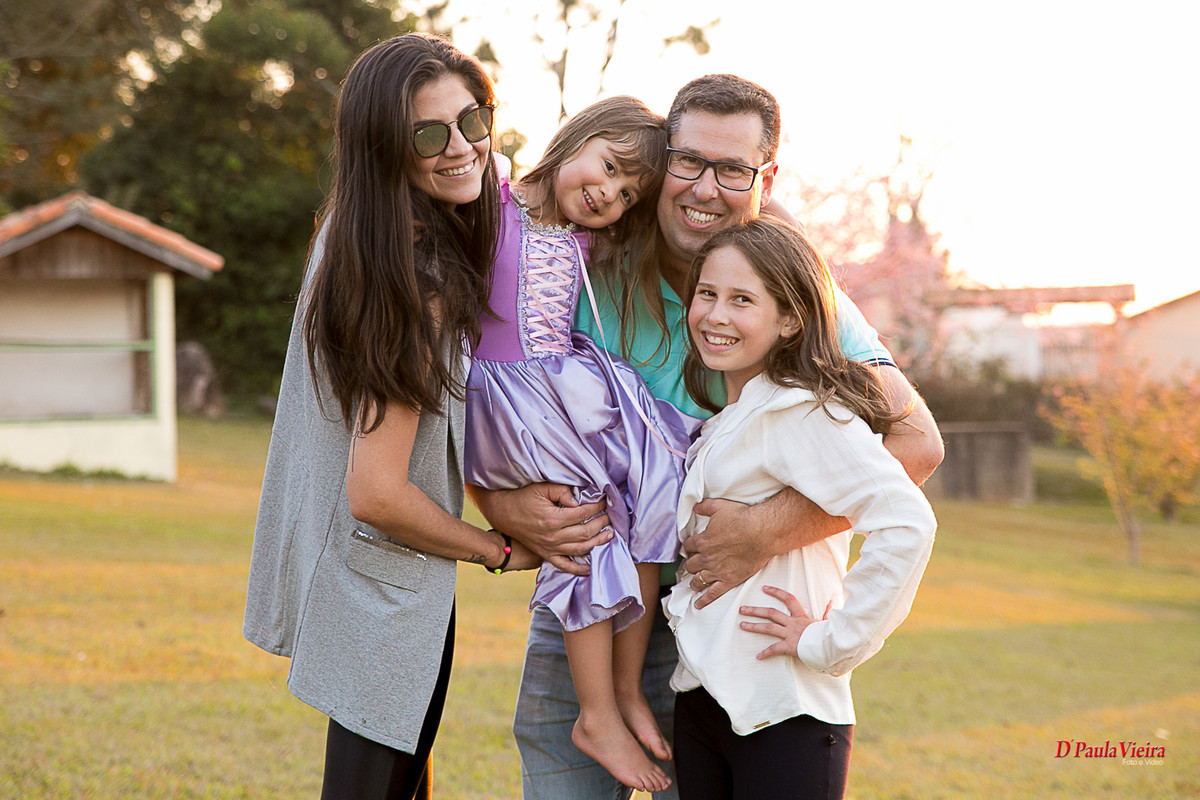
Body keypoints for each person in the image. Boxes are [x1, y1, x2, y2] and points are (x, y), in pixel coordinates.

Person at [470, 74, 944, 800]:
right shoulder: (587, 262)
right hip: (592, 599)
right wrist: (499, 505)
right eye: (688, 162)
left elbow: (916, 444)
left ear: (766, 176)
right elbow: (502, 385)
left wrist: (762, 530)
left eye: (733, 170)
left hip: (719, 620)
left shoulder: (792, 287)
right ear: (663, 163)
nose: (704, 187)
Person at [242, 33, 538, 800]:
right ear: (383, 148)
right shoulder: (417, 273)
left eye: (474, 121)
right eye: (428, 135)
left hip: (354, 575)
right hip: (386, 588)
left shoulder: (353, 232)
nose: (461, 149)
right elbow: (376, 489)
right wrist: (495, 549)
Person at [464, 96, 697, 793]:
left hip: (570, 383)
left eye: (628, 193)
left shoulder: (590, 241)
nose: (608, 194)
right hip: (511, 398)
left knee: (656, 478)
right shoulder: (489, 202)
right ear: (576, 137)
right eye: (608, 167)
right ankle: (595, 712)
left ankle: (627, 692)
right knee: (586, 518)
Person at [665, 218, 937, 799]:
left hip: (785, 713)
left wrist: (830, 642)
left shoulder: (801, 412)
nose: (715, 315)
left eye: (742, 300)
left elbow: (905, 521)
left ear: (789, 319)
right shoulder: (729, 419)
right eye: (707, 294)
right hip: (706, 701)